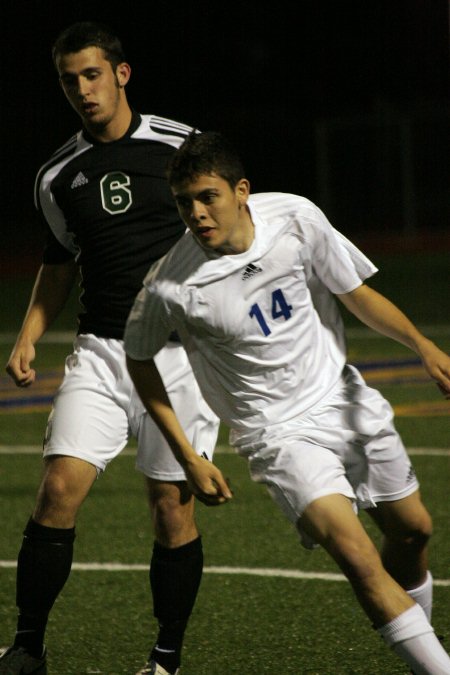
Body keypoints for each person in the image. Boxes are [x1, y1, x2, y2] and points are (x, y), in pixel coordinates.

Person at [124, 130, 450, 674]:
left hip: (343, 399)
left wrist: (422, 344)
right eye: (184, 202)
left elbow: (353, 292)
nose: (197, 214)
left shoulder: (295, 219)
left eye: (208, 197)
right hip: (276, 435)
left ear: (242, 190)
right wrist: (188, 455)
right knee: (357, 556)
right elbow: (139, 359)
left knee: (413, 530)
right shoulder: (169, 285)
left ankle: (423, 653)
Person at [1, 23, 225, 675]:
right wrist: (28, 333)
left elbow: (233, 226)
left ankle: (164, 659)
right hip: (101, 351)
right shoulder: (57, 175)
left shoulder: (181, 145)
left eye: (92, 74)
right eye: (69, 79)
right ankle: (27, 645)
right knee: (57, 490)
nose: (81, 89)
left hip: (183, 355)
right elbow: (60, 259)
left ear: (121, 74)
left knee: (169, 506)